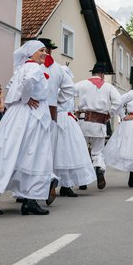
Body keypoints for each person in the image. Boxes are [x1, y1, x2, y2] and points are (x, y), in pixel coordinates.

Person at [0, 40, 54, 216]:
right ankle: (29, 200)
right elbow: (28, 83)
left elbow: (10, 88)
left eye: (45, 51)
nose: (45, 53)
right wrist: (26, 97)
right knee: (32, 155)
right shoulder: (34, 68)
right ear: (31, 53)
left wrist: (24, 97)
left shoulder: (21, 68)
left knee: (12, 154)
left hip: (19, 115)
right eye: (41, 50)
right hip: (32, 116)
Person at [37, 37, 75, 206]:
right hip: (51, 112)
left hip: (32, 110)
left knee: (32, 150)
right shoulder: (59, 69)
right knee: (47, 149)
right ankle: (48, 179)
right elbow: (69, 90)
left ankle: (33, 188)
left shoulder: (30, 65)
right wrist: (55, 100)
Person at [75, 62, 122, 190]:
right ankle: (100, 169)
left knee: (82, 151)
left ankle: (82, 180)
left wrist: (74, 110)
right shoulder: (109, 87)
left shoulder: (81, 84)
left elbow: (67, 93)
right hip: (99, 122)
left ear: (93, 73)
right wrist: (109, 114)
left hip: (83, 121)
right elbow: (118, 102)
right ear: (102, 74)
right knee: (97, 151)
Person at [53, 65, 97, 197]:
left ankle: (66, 184)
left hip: (69, 121)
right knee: (57, 153)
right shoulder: (54, 90)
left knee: (69, 153)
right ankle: (51, 185)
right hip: (57, 121)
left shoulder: (68, 92)